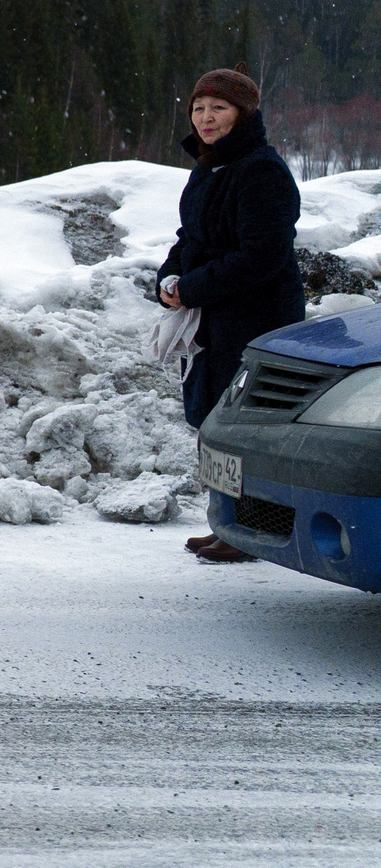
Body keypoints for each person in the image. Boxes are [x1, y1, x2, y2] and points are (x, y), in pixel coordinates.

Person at [158, 67, 303, 565]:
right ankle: (228, 523)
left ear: (243, 113)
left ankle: (249, 531)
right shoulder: (209, 168)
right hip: (212, 319)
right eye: (198, 108)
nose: (205, 117)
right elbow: (189, 238)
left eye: (218, 108)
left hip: (254, 322)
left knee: (244, 429)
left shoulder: (261, 170)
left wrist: (193, 286)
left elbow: (262, 255)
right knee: (214, 423)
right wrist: (169, 278)